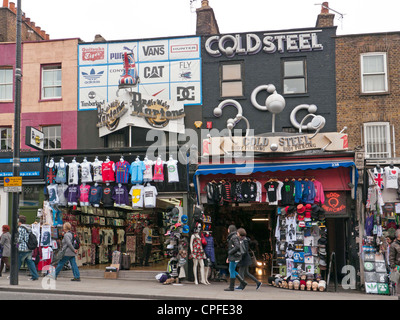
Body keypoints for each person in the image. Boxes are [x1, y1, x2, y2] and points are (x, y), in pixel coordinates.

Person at [224, 224, 247, 291]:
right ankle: (243, 282)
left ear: (230, 229)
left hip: (234, 256)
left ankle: (231, 287)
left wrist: (230, 252)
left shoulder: (233, 237)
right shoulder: (234, 236)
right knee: (232, 270)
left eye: (228, 229)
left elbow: (237, 246)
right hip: (234, 256)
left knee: (231, 270)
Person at [17, 215, 39, 281]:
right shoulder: (28, 227)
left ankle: (13, 274)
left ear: (19, 221)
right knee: (30, 261)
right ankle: (35, 275)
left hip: (23, 248)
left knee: (18, 261)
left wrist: (16, 241)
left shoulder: (21, 228)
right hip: (29, 247)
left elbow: (20, 239)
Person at [389, 229, 400, 298]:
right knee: (399, 282)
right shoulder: (394, 245)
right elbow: (391, 257)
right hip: (398, 266)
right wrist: (393, 266)